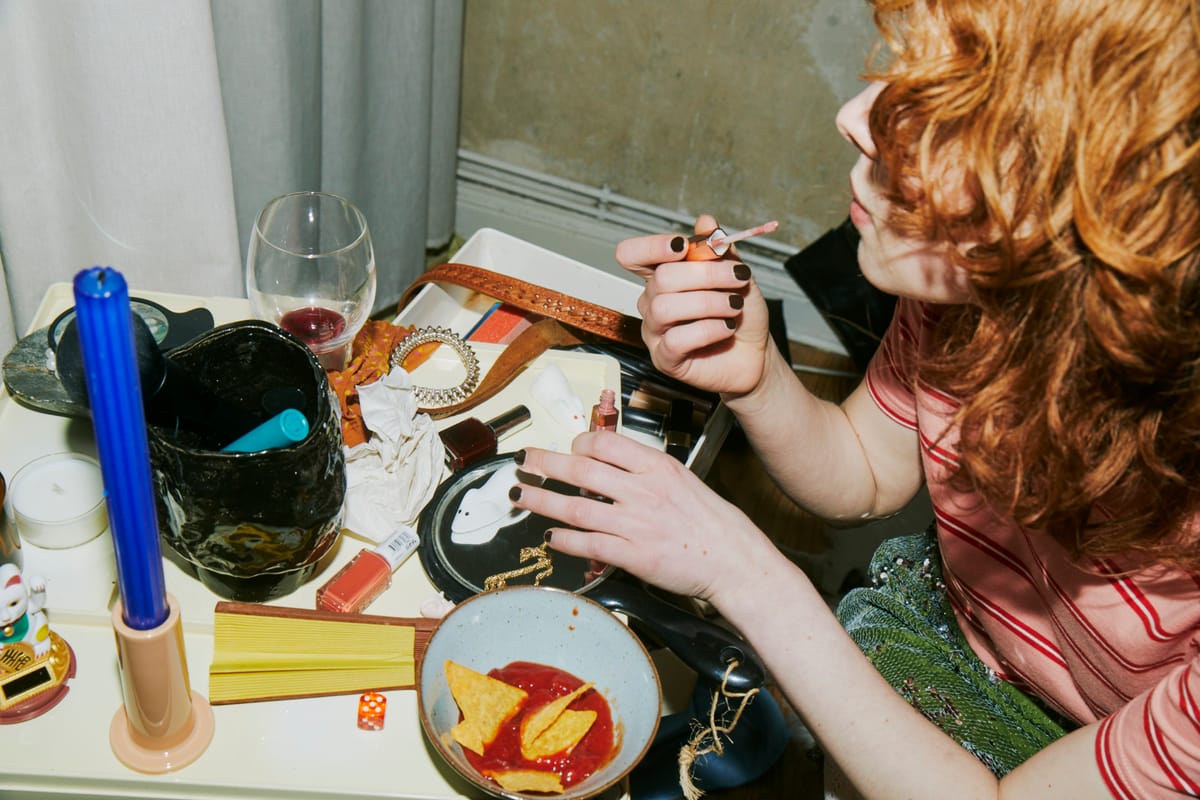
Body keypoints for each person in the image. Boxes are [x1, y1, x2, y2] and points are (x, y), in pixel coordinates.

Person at [507, 0, 1200, 797]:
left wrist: (746, 573)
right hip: (963, 641)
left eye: (953, 107)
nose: (854, 116)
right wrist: (759, 375)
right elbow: (867, 472)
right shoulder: (972, 289)